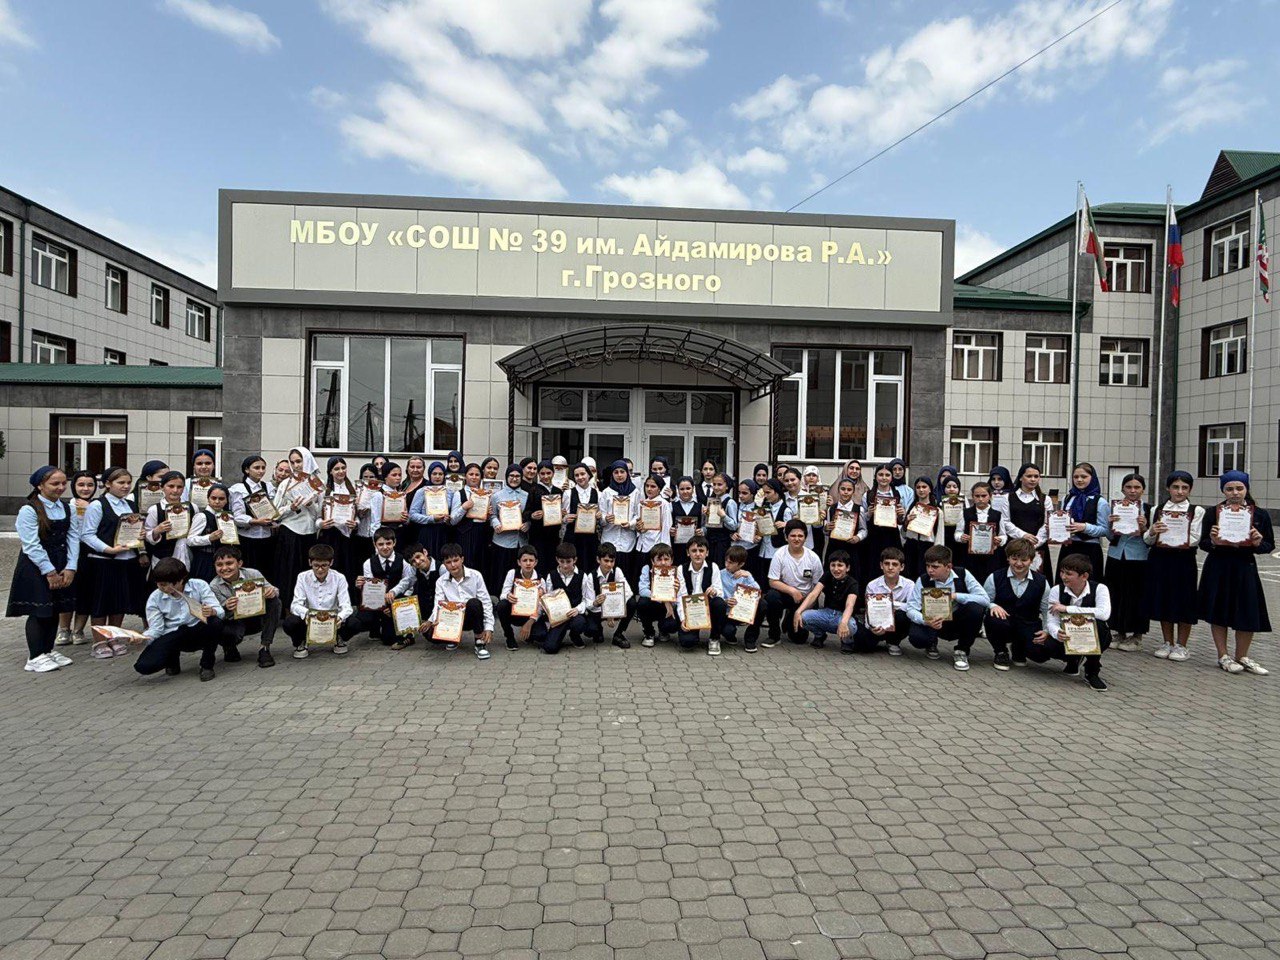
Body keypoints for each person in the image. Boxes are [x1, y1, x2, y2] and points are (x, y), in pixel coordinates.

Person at [1197, 470, 1271, 675]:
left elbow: (1269, 545)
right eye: (1229, 489)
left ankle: (1242, 656)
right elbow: (1203, 543)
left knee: (1248, 611)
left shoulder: (1259, 514)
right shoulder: (1213, 513)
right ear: (1223, 490)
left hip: (1245, 567)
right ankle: (1223, 655)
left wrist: (1257, 543)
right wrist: (1213, 541)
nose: (1235, 493)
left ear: (1246, 489)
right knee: (1219, 610)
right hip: (1219, 567)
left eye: (1239, 488)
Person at [9, 466, 79, 674]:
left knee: (55, 607)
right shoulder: (29, 510)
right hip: (36, 565)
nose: (60, 487)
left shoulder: (67, 508)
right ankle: (35, 655)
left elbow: (73, 537)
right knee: (39, 610)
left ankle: (47, 650)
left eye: (63, 483)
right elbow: (31, 544)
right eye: (54, 483)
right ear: (40, 485)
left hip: (61, 562)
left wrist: (71, 566)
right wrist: (49, 571)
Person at [1143, 471, 1204, 662]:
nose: (1179, 491)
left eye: (1184, 488)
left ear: (1190, 490)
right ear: (1168, 488)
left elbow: (1195, 538)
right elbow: (1148, 540)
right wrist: (1152, 531)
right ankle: (1167, 642)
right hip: (1160, 559)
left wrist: (1177, 537)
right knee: (1164, 598)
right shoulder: (1157, 509)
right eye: (1175, 487)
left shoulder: (1197, 510)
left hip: (1183, 560)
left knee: (1184, 600)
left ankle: (1182, 645)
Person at [134, 558, 225, 682]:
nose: (163, 588)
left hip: (197, 629)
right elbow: (156, 628)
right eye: (160, 584)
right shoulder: (155, 598)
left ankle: (207, 665)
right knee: (144, 666)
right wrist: (142, 638)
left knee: (215, 623)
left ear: (181, 580)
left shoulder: (199, 585)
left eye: (167, 584)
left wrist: (212, 611)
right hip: (173, 634)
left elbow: (220, 612)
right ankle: (172, 658)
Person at [904, 544, 992, 671]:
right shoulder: (923, 579)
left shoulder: (963, 574)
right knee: (917, 638)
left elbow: (985, 599)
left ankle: (962, 650)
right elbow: (911, 608)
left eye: (935, 567)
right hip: (933, 621)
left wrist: (956, 596)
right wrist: (926, 621)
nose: (930, 570)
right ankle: (931, 643)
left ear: (948, 567)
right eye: (928, 566)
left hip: (956, 620)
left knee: (975, 609)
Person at [80, 467, 145, 627]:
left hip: (127, 560)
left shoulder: (131, 505)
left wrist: (140, 534)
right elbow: (87, 534)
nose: (126, 486)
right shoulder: (97, 505)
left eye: (128, 482)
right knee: (101, 604)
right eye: (121, 482)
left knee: (119, 604)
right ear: (108, 484)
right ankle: (101, 639)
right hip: (103, 562)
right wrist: (108, 550)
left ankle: (114, 635)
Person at [1039, 552, 1112, 691]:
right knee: (1047, 645)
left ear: (1084, 576)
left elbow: (1104, 614)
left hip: (1090, 635)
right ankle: (1073, 659)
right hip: (1067, 635)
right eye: (1062, 572)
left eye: (1069, 574)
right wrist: (1056, 632)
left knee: (1100, 627)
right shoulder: (1056, 590)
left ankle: (1092, 671)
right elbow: (1051, 620)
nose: (1063, 577)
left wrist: (1067, 609)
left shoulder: (1100, 589)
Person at [982, 538, 1050, 672]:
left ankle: (1019, 649)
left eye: (1024, 560)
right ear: (1008, 558)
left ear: (1031, 560)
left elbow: (1046, 610)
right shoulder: (994, 577)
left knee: (1040, 654)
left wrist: (1046, 630)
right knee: (993, 620)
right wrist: (992, 606)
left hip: (1028, 624)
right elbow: (984, 601)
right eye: (1014, 559)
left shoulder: (1042, 582)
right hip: (1003, 623)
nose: (1018, 564)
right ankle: (1001, 651)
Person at [208, 545, 282, 668]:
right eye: (219, 565)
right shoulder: (214, 586)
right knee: (219, 625)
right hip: (234, 621)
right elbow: (217, 614)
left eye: (229, 563)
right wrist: (225, 606)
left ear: (239, 563)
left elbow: (274, 590)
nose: (224, 568)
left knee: (275, 601)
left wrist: (271, 592)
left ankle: (264, 647)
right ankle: (229, 647)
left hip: (255, 618)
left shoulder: (253, 573)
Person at [1103, 473, 1151, 652]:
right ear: (1122, 489)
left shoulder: (1149, 509)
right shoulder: (1115, 508)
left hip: (1139, 557)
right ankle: (1119, 631)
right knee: (1116, 593)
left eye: (1137, 487)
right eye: (1129, 487)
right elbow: (1109, 536)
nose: (1132, 491)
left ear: (1143, 490)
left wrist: (1144, 528)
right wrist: (1111, 525)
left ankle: (1137, 635)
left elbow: (1152, 538)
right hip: (1116, 555)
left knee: (1136, 595)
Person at [282, 542, 355, 659]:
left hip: (333, 621)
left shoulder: (339, 578)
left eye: (324, 565)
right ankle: (301, 641)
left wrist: (340, 618)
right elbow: (295, 605)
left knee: (354, 623)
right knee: (289, 623)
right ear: (310, 562)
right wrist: (308, 614)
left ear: (331, 562)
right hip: (309, 620)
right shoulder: (302, 577)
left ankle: (339, 638)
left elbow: (346, 606)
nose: (320, 570)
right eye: (316, 565)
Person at [348, 527, 418, 647]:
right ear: (374, 544)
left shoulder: (403, 561)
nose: (385, 547)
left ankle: (405, 634)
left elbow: (409, 586)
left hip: (396, 601)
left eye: (388, 543)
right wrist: (361, 587)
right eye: (380, 544)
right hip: (377, 603)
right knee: (359, 620)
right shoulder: (368, 563)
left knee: (389, 639)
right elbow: (370, 590)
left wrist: (396, 606)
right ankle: (375, 627)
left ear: (394, 542)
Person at [272, 447, 323, 609]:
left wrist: (311, 504)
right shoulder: (286, 484)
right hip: (290, 533)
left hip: (309, 534)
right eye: (292, 462)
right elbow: (275, 513)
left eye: (299, 461)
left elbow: (320, 514)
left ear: (307, 460)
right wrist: (290, 508)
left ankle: (308, 608)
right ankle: (287, 609)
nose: (296, 465)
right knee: (288, 573)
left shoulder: (318, 484)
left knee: (308, 573)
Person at [424, 543, 494, 659]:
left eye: (456, 560)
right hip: (452, 619)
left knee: (474, 603)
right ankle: (452, 638)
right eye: (448, 562)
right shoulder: (440, 581)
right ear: (444, 564)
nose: (453, 565)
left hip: (472, 617)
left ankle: (479, 642)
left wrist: (489, 627)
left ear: (462, 559)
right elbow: (438, 603)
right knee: (428, 634)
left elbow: (486, 602)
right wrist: (433, 620)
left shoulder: (476, 575)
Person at [765, 520, 824, 647]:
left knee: (799, 639)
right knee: (771, 597)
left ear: (805, 538)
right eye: (793, 536)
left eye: (800, 536)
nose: (797, 539)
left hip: (806, 599)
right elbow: (772, 581)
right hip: (786, 594)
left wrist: (805, 607)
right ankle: (774, 635)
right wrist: (792, 591)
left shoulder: (813, 558)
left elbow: (818, 587)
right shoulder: (779, 554)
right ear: (786, 537)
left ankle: (790, 617)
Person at [58, 469, 98, 646]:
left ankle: (78, 630)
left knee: (86, 592)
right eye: (81, 485)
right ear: (73, 486)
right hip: (69, 553)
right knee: (67, 591)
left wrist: (90, 509)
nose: (86, 489)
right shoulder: (66, 506)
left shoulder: (98, 505)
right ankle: (64, 629)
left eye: (90, 485)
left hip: (91, 553)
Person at [795, 548, 859, 653]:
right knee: (804, 616)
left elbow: (849, 605)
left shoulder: (853, 583)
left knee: (850, 625)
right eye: (833, 565)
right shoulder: (827, 575)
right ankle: (819, 635)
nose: (836, 569)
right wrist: (798, 611)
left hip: (843, 615)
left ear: (847, 568)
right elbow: (814, 594)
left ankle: (846, 642)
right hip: (826, 613)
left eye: (840, 565)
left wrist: (843, 622)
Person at [535, 541, 594, 654]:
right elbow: (548, 598)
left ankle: (574, 635)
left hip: (574, 615)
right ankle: (555, 636)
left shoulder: (582, 576)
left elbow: (587, 599)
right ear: (557, 560)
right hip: (558, 617)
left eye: (568, 561)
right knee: (550, 648)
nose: (565, 565)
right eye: (562, 561)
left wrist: (577, 609)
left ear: (575, 560)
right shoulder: (551, 575)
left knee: (580, 623)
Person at [953, 481, 1014, 586]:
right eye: (977, 496)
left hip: (991, 558)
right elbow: (957, 533)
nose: (980, 499)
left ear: (990, 496)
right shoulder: (965, 513)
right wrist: (961, 537)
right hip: (970, 557)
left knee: (990, 582)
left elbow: (1003, 535)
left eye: (983, 496)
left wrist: (1000, 540)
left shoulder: (997, 515)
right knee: (971, 582)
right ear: (973, 497)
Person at [1056, 462, 1109, 582]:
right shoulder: (1067, 498)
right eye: (1076, 477)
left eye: (1084, 477)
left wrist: (1085, 527)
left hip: (1090, 549)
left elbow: (1105, 530)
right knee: (1065, 582)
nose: (1079, 480)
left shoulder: (1100, 501)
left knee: (1088, 585)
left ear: (1092, 478)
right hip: (1068, 548)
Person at [855, 547, 912, 654]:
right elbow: (869, 611)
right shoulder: (872, 585)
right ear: (881, 565)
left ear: (902, 567)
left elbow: (911, 607)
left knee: (903, 616)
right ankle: (876, 639)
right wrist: (871, 627)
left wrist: (891, 604)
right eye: (887, 564)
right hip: (877, 623)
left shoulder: (909, 585)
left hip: (897, 624)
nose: (890, 567)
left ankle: (893, 642)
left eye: (894, 564)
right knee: (861, 645)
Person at [228, 455, 277, 580]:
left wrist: (274, 519)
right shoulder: (238, 489)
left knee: (266, 573)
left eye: (263, 468)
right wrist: (256, 521)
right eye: (257, 468)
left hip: (267, 539)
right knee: (248, 574)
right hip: (247, 540)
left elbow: (275, 510)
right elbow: (236, 517)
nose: (261, 471)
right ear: (246, 470)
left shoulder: (269, 487)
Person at [676, 536, 724, 655]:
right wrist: (683, 619)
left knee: (719, 603)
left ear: (707, 553)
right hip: (690, 610)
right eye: (694, 551)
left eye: (701, 550)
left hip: (708, 607)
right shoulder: (681, 569)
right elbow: (681, 596)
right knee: (687, 642)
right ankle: (694, 633)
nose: (698, 554)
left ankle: (714, 638)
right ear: (688, 553)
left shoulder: (713, 567)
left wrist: (714, 591)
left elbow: (720, 592)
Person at [488, 464, 530, 596]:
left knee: (518, 575)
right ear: (506, 477)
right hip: (502, 541)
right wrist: (496, 524)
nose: (514, 479)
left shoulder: (527, 495)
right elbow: (492, 515)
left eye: (518, 476)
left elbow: (529, 516)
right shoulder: (497, 496)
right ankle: (500, 601)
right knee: (501, 573)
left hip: (521, 542)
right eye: (511, 476)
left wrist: (528, 524)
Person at [318, 456, 360, 585]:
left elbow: (357, 515)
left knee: (348, 568)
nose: (341, 471)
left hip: (348, 537)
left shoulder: (353, 489)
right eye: (336, 469)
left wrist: (356, 524)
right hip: (330, 535)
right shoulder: (324, 491)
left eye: (343, 468)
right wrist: (321, 524)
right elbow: (317, 515)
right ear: (330, 471)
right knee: (331, 569)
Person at [1006, 463, 1052, 579]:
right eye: (1029, 476)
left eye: (1036, 476)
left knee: (1037, 580)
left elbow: (1047, 523)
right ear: (1021, 477)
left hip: (1038, 547)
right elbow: (1005, 521)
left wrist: (1035, 543)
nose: (1033, 479)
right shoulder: (1008, 497)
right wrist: (1023, 536)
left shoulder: (1045, 499)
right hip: (1014, 546)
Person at [410, 462, 460, 562]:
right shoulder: (422, 491)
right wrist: (431, 518)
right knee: (427, 561)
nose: (437, 477)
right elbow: (412, 514)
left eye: (440, 474)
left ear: (444, 476)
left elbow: (454, 511)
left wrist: (449, 518)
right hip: (427, 532)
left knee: (443, 561)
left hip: (444, 532)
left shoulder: (450, 492)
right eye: (434, 474)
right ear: (429, 475)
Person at [143, 470, 194, 570]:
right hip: (162, 558)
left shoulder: (192, 507)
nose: (175, 490)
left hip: (187, 554)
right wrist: (157, 530)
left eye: (179, 487)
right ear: (162, 487)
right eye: (171, 486)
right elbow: (147, 535)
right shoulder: (155, 510)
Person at [600, 461, 639, 588]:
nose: (619, 475)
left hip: (628, 541)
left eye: (622, 472)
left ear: (627, 473)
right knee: (610, 577)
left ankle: (627, 599)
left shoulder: (635, 492)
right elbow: (600, 517)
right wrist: (606, 518)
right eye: (616, 472)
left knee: (626, 577)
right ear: (612, 474)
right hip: (610, 538)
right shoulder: (606, 492)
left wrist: (630, 523)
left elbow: (638, 515)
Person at [587, 542, 634, 649]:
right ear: (598, 559)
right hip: (597, 610)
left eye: (612, 561)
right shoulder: (591, 576)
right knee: (590, 630)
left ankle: (618, 634)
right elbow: (588, 603)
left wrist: (613, 611)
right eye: (606, 560)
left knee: (632, 603)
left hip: (615, 607)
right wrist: (595, 602)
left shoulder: (617, 571)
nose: (609, 564)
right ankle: (598, 629)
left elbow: (629, 592)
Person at [496, 545, 541, 650]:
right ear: (519, 562)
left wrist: (530, 622)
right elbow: (502, 595)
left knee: (541, 636)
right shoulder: (512, 573)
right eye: (525, 560)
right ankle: (509, 637)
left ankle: (529, 634)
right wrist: (508, 596)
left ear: (536, 562)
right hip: (514, 613)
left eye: (531, 560)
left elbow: (541, 607)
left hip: (530, 616)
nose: (528, 563)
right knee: (502, 605)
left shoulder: (540, 579)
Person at [185, 483, 232, 583]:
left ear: (226, 500)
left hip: (223, 560)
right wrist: (209, 538)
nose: (217, 502)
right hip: (205, 561)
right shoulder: (202, 516)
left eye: (221, 499)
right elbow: (190, 540)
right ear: (208, 498)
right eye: (213, 498)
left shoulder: (228, 517)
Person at [719, 544, 762, 653]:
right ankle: (729, 635)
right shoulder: (720, 574)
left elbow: (758, 593)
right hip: (727, 612)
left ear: (741, 564)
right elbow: (717, 593)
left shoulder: (746, 576)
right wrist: (725, 601)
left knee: (763, 604)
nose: (727, 565)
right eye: (726, 561)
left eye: (731, 563)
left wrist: (749, 576)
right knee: (728, 631)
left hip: (744, 611)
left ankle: (750, 638)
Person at [637, 544, 682, 646]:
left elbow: (681, 597)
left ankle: (663, 630)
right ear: (652, 561)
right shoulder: (646, 569)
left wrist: (676, 591)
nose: (663, 562)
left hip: (670, 608)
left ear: (671, 560)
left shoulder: (677, 571)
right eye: (659, 559)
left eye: (666, 559)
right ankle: (649, 633)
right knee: (642, 602)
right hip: (654, 605)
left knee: (672, 625)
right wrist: (664, 600)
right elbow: (642, 590)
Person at [860, 465, 904, 569]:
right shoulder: (868, 495)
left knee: (891, 564)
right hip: (873, 537)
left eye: (887, 475)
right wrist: (869, 513)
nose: (884, 478)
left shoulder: (897, 494)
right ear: (875, 477)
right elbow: (862, 519)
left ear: (891, 477)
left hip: (892, 537)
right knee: (873, 566)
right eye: (880, 474)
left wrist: (901, 514)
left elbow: (901, 520)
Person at [901, 476, 942, 579]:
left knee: (925, 577)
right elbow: (903, 534)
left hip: (927, 548)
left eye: (924, 487)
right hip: (911, 547)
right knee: (909, 576)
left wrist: (937, 553)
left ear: (930, 489)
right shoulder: (911, 508)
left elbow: (940, 535)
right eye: (918, 487)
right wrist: (906, 522)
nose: (921, 490)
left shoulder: (937, 511)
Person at [528, 460, 563, 577]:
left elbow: (562, 511)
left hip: (553, 534)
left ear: (553, 473)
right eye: (542, 474)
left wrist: (562, 513)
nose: (546, 476)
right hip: (538, 535)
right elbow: (526, 511)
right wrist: (532, 515)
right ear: (538, 474)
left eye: (548, 473)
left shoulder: (558, 491)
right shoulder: (533, 490)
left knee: (552, 563)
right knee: (540, 563)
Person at [704, 472, 737, 569]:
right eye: (714, 484)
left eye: (719, 484)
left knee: (720, 568)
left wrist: (724, 516)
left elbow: (734, 526)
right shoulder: (712, 501)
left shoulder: (730, 502)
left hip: (722, 543)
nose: (716, 487)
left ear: (727, 486)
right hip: (710, 540)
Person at [669, 476, 703, 569]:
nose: (685, 491)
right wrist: (670, 530)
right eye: (682, 489)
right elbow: (666, 524)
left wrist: (702, 530)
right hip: (676, 547)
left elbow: (705, 526)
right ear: (677, 490)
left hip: (695, 548)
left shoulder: (701, 507)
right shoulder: (671, 506)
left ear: (693, 489)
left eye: (688, 488)